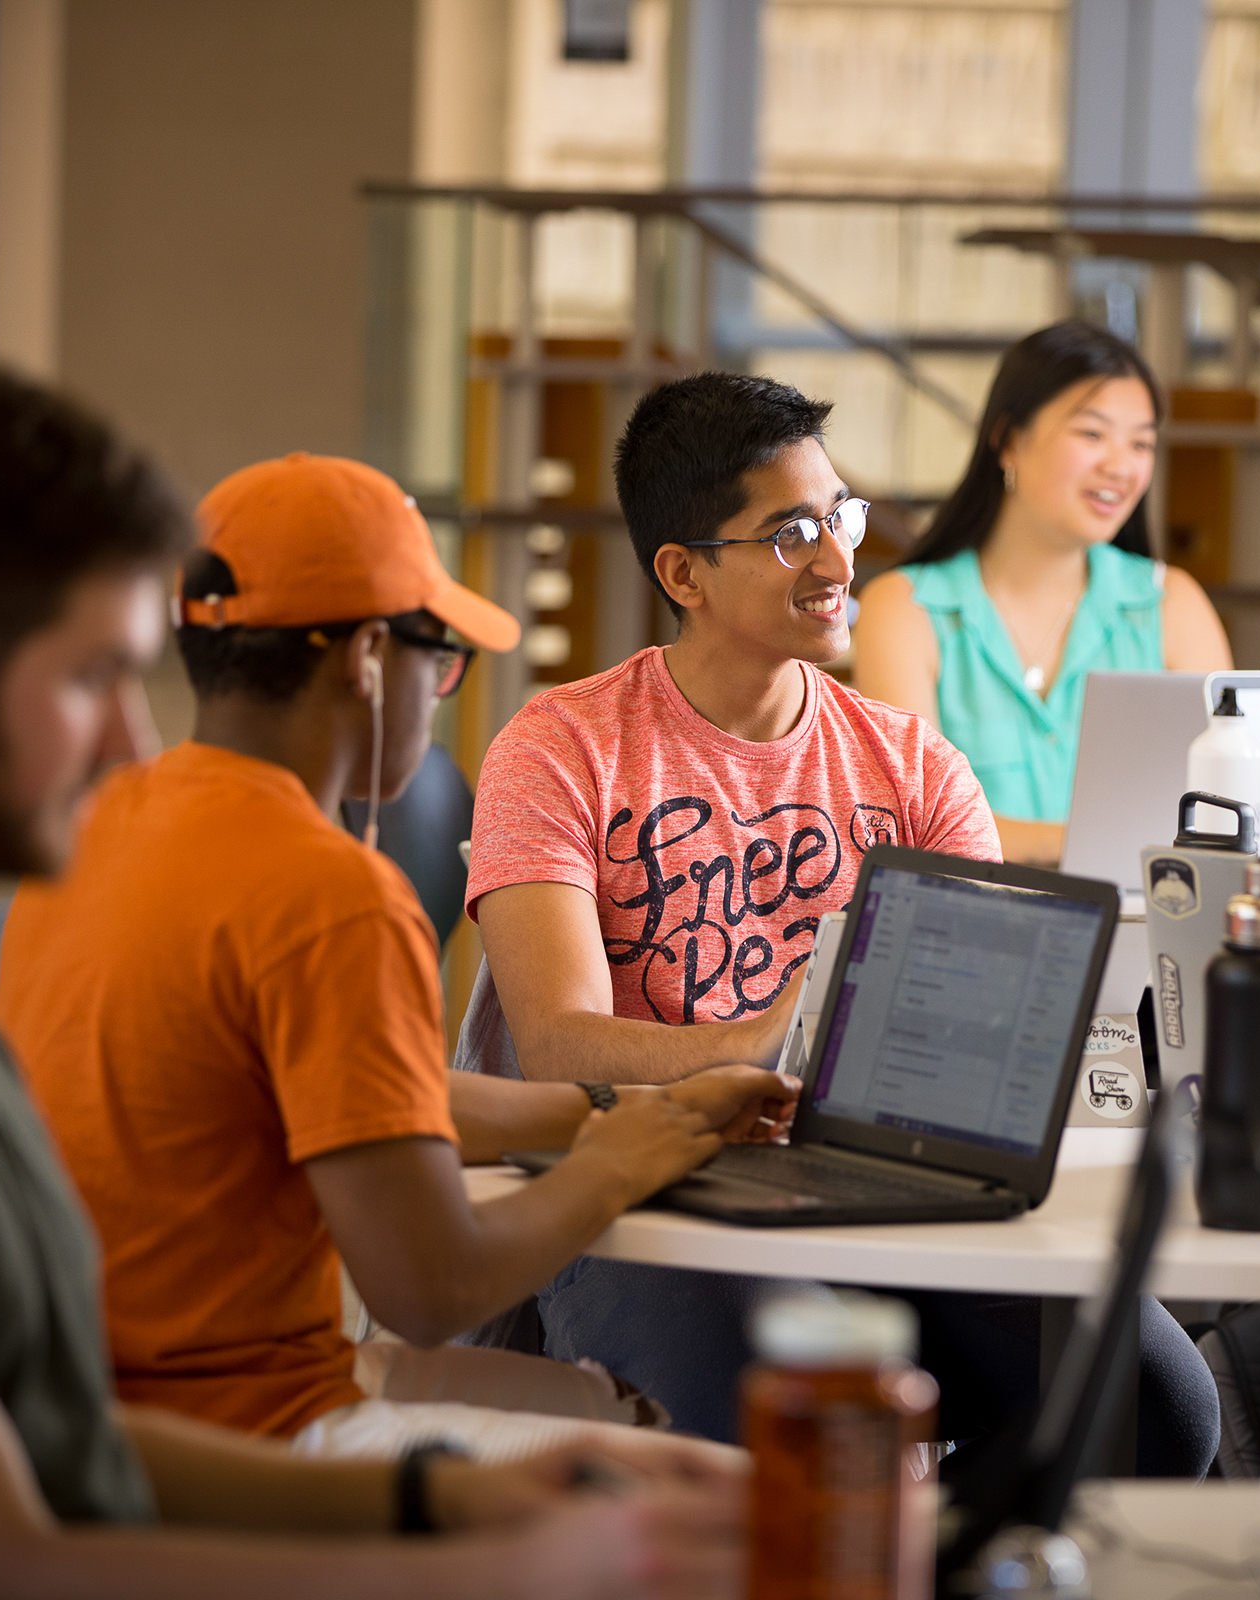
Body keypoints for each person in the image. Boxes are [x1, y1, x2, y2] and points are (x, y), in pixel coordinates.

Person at [0, 365, 740, 1597]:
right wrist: (500, 1564)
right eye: (92, 678)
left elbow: (56, 1436)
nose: (135, 744)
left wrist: (437, 1497)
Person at [459, 372, 1219, 1475]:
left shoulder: (914, 765)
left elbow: (986, 1032)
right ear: (684, 573)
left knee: (1156, 1405)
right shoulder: (560, 747)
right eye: (790, 534)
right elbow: (559, 1042)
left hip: (885, 1191)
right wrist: (772, 1036)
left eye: (841, 517)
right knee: (799, 1447)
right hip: (647, 1193)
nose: (836, 561)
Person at [0, 452, 799, 1459]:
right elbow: (430, 1286)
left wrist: (634, 1108)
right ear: (371, 658)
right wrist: (619, 1164)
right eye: (442, 657)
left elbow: (372, 1095)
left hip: (86, 1400)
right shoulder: (330, 892)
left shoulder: (97, 825)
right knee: (726, 1480)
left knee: (634, 1410)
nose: (442, 692)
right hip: (256, 1423)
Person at [852, 321, 1232, 866]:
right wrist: (1106, 844)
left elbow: (1221, 810)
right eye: (1092, 434)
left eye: (1142, 443)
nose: (1121, 467)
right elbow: (917, 825)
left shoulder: (1173, 605)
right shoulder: (905, 609)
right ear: (1008, 440)